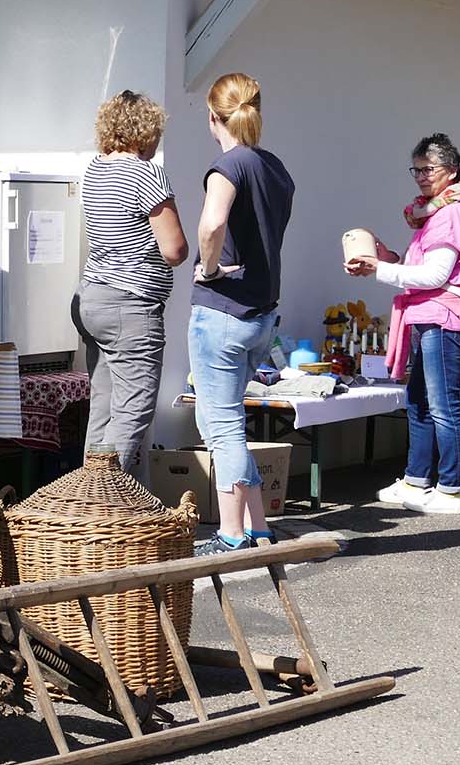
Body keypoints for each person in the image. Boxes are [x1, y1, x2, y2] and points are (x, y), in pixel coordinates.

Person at [344, 134, 460, 515]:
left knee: (442, 406)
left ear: (452, 171)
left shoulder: (454, 213)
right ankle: (416, 480)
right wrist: (384, 256)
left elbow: (436, 275)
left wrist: (381, 268)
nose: (422, 177)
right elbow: (419, 270)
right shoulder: (433, 213)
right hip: (428, 316)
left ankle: (452, 488)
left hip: (444, 316)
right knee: (419, 402)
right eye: (417, 170)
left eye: (430, 170)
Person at [188, 73, 295, 556]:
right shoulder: (274, 167)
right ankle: (259, 527)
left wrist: (208, 270)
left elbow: (212, 224)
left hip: (224, 311)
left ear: (214, 117)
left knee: (221, 426)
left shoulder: (227, 165)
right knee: (229, 424)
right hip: (260, 315)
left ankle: (231, 534)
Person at [71, 92, 188, 482]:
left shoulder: (94, 170)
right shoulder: (147, 174)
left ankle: (88, 496)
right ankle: (102, 500)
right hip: (130, 304)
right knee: (133, 408)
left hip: (93, 298)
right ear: (146, 131)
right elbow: (174, 249)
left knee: (103, 408)